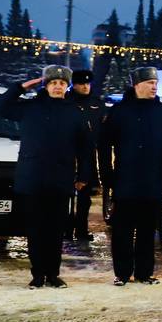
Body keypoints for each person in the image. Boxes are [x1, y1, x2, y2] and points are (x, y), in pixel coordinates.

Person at [0, 66, 94, 288]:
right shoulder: (30, 108)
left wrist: (84, 176)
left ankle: (53, 274)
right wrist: (20, 87)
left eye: (62, 83)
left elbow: (85, 148)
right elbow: (0, 108)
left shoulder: (74, 112)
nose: (58, 86)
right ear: (46, 85)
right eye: (53, 82)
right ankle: (37, 275)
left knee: (55, 230)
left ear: (67, 87)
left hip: (61, 180)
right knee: (35, 230)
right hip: (33, 179)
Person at [99, 66, 162, 285]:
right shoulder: (119, 112)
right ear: (137, 85)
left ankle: (144, 273)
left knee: (147, 231)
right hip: (125, 182)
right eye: (149, 83)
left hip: (153, 182)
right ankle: (122, 273)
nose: (154, 87)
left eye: (155, 83)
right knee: (122, 231)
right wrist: (107, 176)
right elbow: (104, 146)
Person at [66, 69, 105, 242]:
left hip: (88, 154)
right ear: (74, 84)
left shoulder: (96, 103)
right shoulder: (66, 102)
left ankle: (81, 230)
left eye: (88, 83)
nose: (85, 86)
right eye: (82, 83)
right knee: (66, 197)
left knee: (85, 198)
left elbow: (103, 126)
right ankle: (66, 229)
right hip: (68, 153)